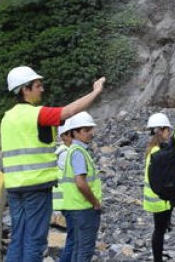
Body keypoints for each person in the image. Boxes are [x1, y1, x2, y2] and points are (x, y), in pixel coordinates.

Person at [0, 66, 105, 262]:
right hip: (36, 188)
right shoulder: (35, 114)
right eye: (38, 85)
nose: (42, 89)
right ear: (25, 89)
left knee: (18, 239)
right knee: (35, 241)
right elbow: (70, 111)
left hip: (14, 188)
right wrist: (96, 91)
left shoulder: (7, 118)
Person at [58, 112, 102, 262]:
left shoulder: (75, 150)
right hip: (83, 208)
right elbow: (81, 183)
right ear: (75, 133)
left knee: (78, 249)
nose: (91, 133)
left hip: (76, 208)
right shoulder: (78, 153)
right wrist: (95, 203)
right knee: (84, 251)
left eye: (91, 129)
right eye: (86, 130)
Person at [143, 113, 174, 262]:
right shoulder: (160, 152)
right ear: (161, 130)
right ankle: (157, 259)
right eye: (168, 130)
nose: (169, 133)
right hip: (160, 199)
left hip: (153, 198)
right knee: (159, 231)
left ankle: (158, 258)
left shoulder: (152, 149)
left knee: (158, 229)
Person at [52, 125, 74, 262]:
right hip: (68, 201)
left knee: (73, 238)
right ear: (63, 137)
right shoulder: (65, 153)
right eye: (71, 135)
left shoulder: (64, 152)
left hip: (67, 201)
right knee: (73, 239)